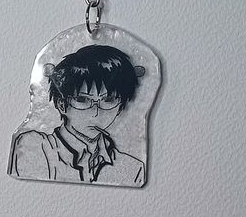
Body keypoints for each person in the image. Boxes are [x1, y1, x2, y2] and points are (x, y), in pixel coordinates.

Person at [8, 44, 145, 187]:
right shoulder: (36, 147)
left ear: (120, 106)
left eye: (108, 100)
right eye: (82, 100)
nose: (96, 113)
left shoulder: (133, 169)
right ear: (62, 104)